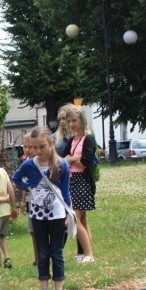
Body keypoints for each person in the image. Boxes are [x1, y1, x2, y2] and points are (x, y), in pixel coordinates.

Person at [12, 126, 71, 290]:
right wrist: (28, 186)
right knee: (43, 254)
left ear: (51, 143)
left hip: (57, 215)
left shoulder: (62, 165)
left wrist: (68, 214)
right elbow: (16, 177)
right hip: (38, 216)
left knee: (57, 253)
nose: (37, 151)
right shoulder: (29, 164)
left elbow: (66, 191)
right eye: (34, 147)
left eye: (41, 147)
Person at [62, 106, 97, 264]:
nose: (71, 124)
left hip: (83, 181)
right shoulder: (72, 140)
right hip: (72, 181)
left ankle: (88, 254)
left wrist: (72, 159)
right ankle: (86, 252)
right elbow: (63, 158)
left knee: (74, 218)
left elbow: (85, 162)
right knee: (82, 220)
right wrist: (74, 158)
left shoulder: (88, 139)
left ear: (82, 120)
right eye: (69, 121)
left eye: (74, 120)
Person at [17, 134, 39, 267]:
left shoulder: (38, 162)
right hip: (31, 200)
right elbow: (25, 183)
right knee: (32, 230)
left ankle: (42, 257)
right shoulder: (26, 163)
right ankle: (37, 258)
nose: (27, 150)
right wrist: (23, 201)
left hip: (40, 201)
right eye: (25, 146)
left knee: (38, 230)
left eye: (30, 147)